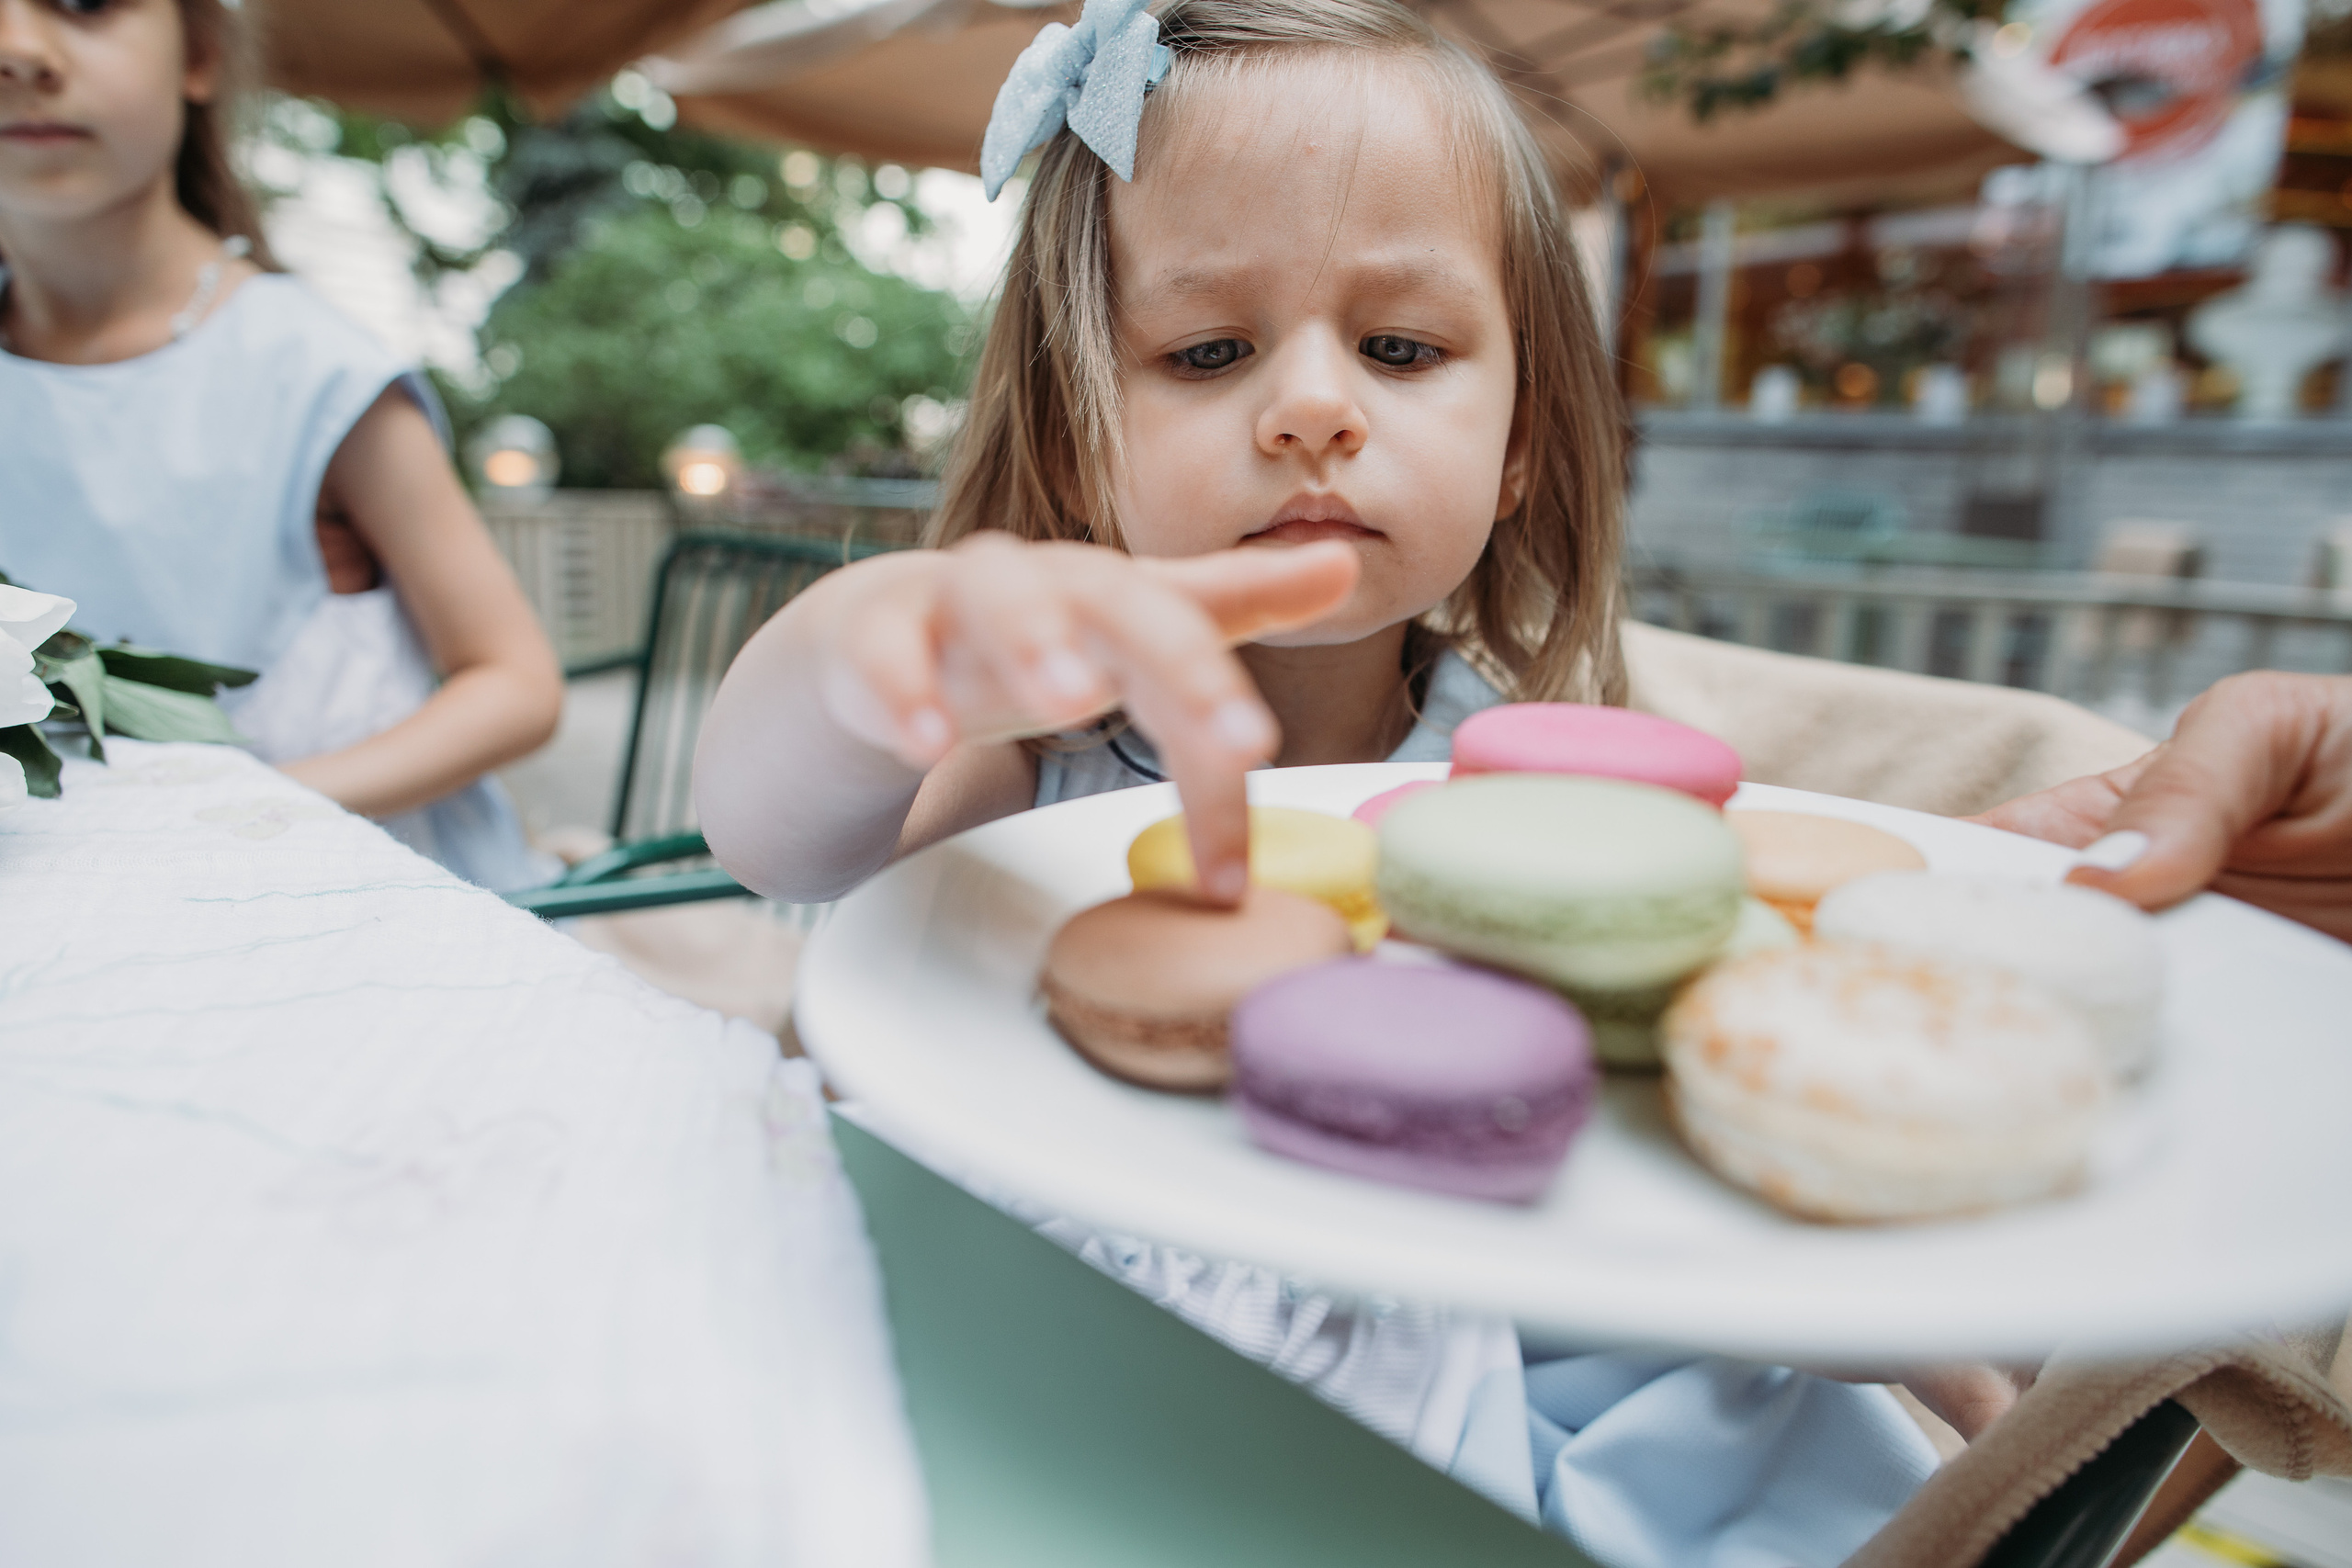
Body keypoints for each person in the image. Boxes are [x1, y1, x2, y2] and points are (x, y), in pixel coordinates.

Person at [697, 2, 1951, 1559]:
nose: (1310, 406)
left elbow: (1679, 1124)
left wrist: (1972, 1350)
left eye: (1402, 347)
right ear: (1084, 444)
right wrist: (881, 647)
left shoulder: (1543, 791)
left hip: (1500, 1399)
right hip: (1096, 1385)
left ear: (1517, 451)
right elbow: (767, 836)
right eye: (1210, 350)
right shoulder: (1029, 755)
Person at [0, 0, 560, 890]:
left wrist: (246, 816)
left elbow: (516, 684)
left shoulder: (315, 373)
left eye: (84, 1)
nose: (18, 49)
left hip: (340, 899)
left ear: (199, 53)